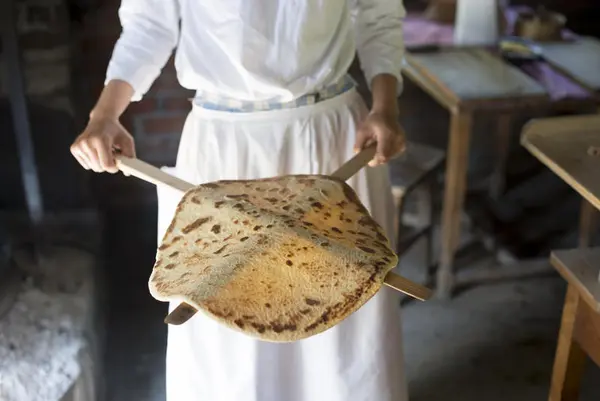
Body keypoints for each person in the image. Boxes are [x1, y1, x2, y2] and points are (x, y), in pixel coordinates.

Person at [70, 1, 408, 400]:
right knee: (225, 333)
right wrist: (104, 114)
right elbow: (149, 24)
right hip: (223, 144)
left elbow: (377, 13)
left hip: (331, 135)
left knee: (342, 316)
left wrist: (386, 106)